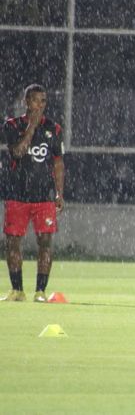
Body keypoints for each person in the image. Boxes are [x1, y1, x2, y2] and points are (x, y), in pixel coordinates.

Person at [1, 84, 65, 303]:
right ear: (26, 102)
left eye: (44, 101)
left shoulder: (54, 129)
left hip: (44, 198)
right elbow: (18, 152)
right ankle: (17, 290)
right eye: (36, 100)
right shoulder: (12, 125)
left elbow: (58, 162)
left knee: (45, 242)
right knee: (12, 243)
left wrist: (59, 193)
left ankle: (40, 291)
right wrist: (31, 128)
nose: (41, 105)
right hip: (17, 196)